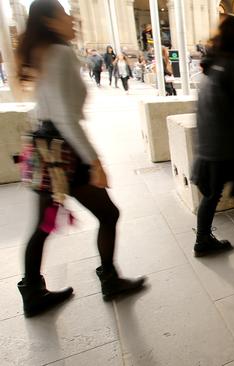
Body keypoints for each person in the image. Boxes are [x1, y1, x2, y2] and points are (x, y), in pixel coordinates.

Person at [15, 0, 145, 317]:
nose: (73, 19)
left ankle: (32, 290)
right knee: (109, 214)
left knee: (42, 226)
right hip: (63, 153)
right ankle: (109, 279)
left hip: (43, 148)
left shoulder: (42, 53)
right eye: (64, 15)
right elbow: (66, 117)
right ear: (49, 21)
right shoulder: (60, 54)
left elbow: (46, 111)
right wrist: (94, 161)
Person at [192, 15, 234, 256]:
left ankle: (202, 239)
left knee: (212, 193)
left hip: (210, 137)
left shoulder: (213, 58)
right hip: (229, 141)